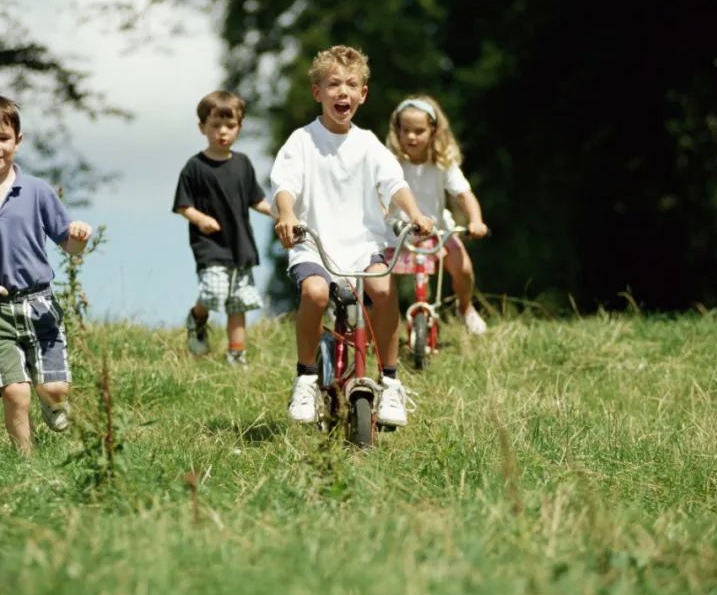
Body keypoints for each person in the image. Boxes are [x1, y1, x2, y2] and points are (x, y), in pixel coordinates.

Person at [271, 45, 434, 427]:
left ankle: (390, 380)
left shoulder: (367, 144)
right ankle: (306, 376)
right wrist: (286, 213)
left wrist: (415, 213)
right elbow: (285, 185)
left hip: (362, 244)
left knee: (382, 289)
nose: (341, 92)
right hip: (314, 240)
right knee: (314, 291)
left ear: (363, 94)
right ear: (317, 93)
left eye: (351, 85)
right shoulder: (302, 141)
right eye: (332, 84)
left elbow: (394, 182)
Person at [0, 94, 93, 456]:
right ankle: (25, 460)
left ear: (18, 140)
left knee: (53, 389)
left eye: (3, 138)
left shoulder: (37, 191)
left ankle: (54, 402)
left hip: (40, 304)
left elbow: (68, 247)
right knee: (15, 392)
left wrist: (80, 239)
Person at [173, 90, 272, 367]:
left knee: (238, 303)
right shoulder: (195, 167)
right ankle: (197, 318)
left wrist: (279, 212)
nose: (223, 132)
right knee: (213, 293)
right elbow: (183, 205)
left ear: (239, 127)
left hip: (240, 245)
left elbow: (257, 199)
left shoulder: (242, 164)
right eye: (215, 126)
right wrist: (200, 219)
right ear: (202, 127)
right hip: (211, 245)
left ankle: (236, 353)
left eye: (230, 126)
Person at [386, 94, 490, 334]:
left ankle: (465, 308)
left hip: (437, 231)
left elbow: (464, 194)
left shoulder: (443, 163)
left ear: (433, 131)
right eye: (406, 130)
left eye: (419, 131)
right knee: (378, 282)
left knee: (462, 267)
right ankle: (376, 327)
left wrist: (475, 221)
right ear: (397, 130)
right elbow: (378, 197)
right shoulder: (390, 162)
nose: (411, 136)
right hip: (397, 233)